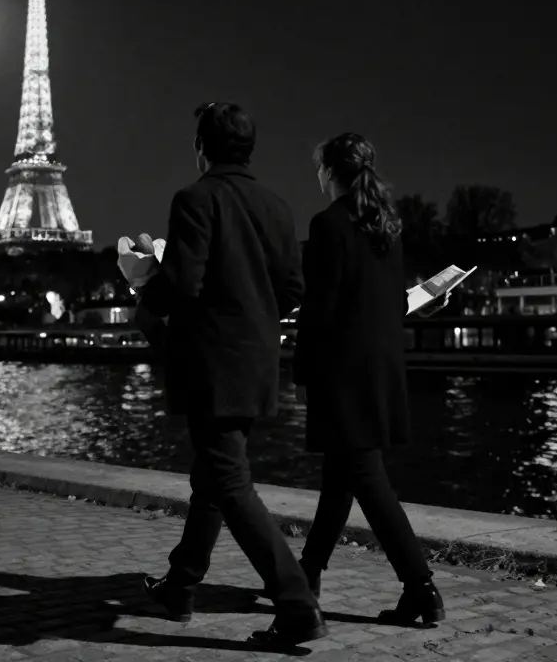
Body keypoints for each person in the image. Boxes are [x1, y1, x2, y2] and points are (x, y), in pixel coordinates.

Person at [138, 102, 327, 648]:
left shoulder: (195, 199)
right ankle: (181, 584)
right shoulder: (275, 205)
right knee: (216, 473)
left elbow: (184, 284)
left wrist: (143, 287)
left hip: (211, 363)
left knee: (229, 481)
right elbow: (292, 289)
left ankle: (295, 603)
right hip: (257, 363)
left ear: (201, 148)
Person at [289, 132, 445, 626]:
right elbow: (388, 302)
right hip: (380, 369)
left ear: (331, 173)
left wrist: (300, 370)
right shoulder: (386, 226)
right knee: (342, 478)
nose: (317, 177)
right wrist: (426, 298)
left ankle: (421, 588)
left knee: (368, 480)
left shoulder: (328, 226)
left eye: (319, 169)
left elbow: (319, 311)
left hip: (343, 373)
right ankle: (305, 576)